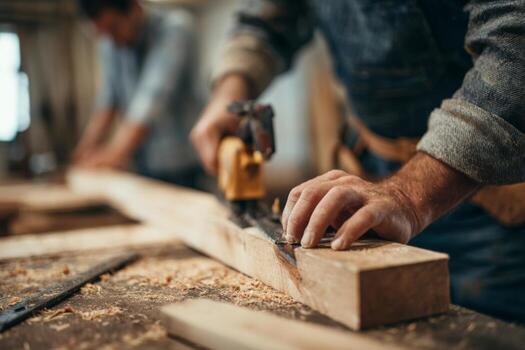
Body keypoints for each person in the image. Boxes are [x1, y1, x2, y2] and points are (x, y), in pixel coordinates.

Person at [190, 1, 525, 322]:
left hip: (493, 194)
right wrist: (231, 91)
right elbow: (268, 16)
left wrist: (410, 196)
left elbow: (515, 48)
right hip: (373, 176)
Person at [74, 0, 203, 187]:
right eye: (103, 33)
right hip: (145, 166)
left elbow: (150, 100)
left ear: (134, 7)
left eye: (113, 28)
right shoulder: (111, 42)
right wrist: (83, 154)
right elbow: (108, 101)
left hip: (186, 167)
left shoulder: (175, 28)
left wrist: (112, 154)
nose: (111, 39)